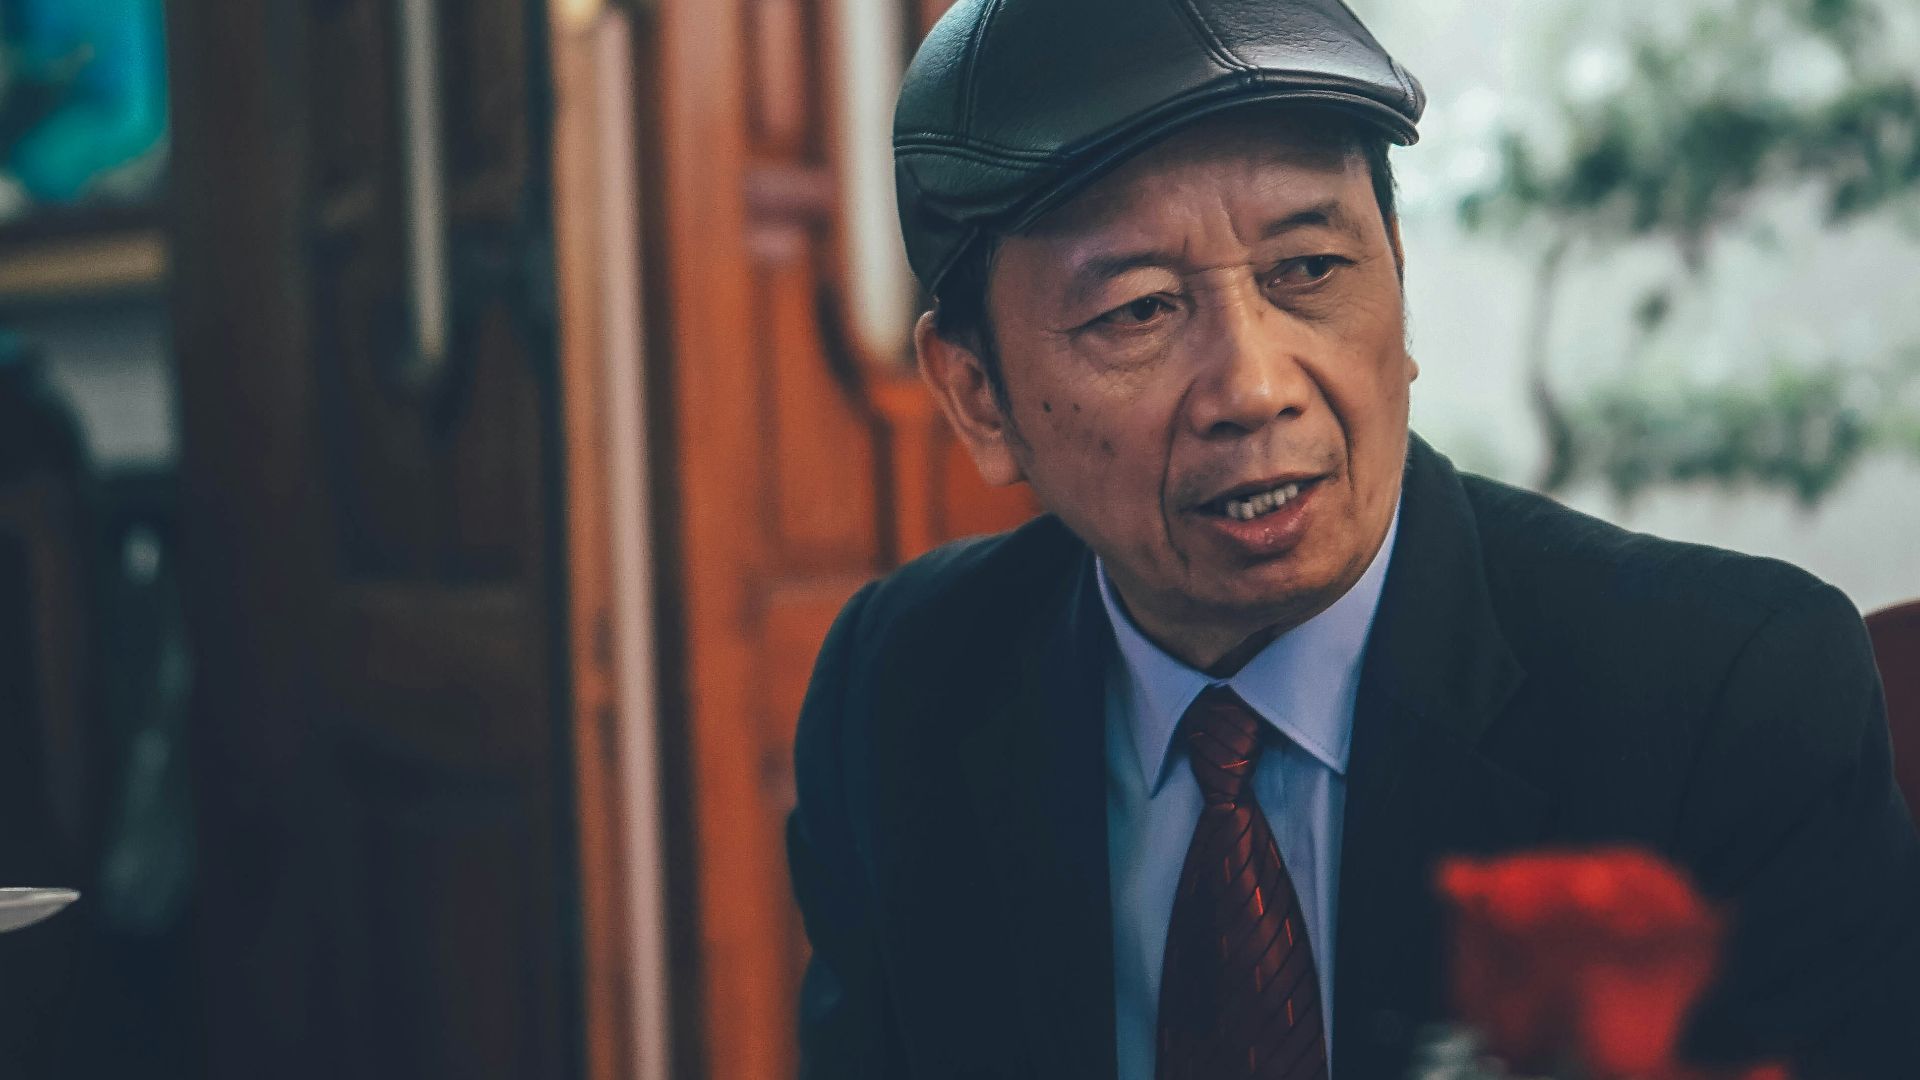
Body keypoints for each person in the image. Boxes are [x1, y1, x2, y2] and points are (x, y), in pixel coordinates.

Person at [785, 2, 1920, 1078]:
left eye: (1308, 271)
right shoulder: (902, 695)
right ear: (978, 394)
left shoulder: (1725, 693)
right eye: (1139, 308)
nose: (1256, 385)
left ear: (1400, 279)